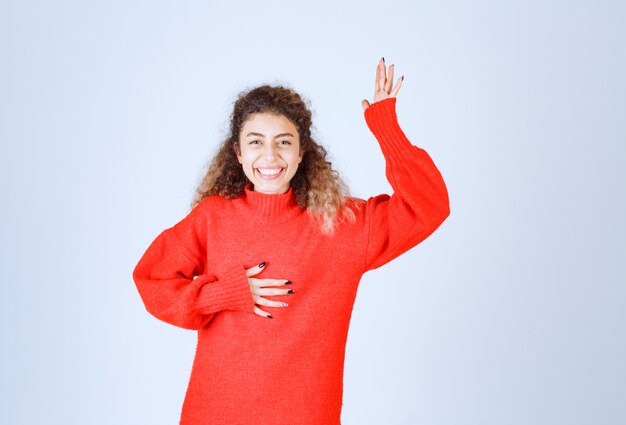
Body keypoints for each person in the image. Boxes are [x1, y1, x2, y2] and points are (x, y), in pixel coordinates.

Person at [132, 57, 450, 425]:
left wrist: (386, 128)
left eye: (284, 142)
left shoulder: (341, 225)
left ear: (302, 153)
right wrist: (225, 293)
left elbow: (428, 206)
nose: (270, 155)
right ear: (238, 152)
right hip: (215, 412)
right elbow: (153, 283)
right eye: (255, 142)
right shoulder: (213, 218)